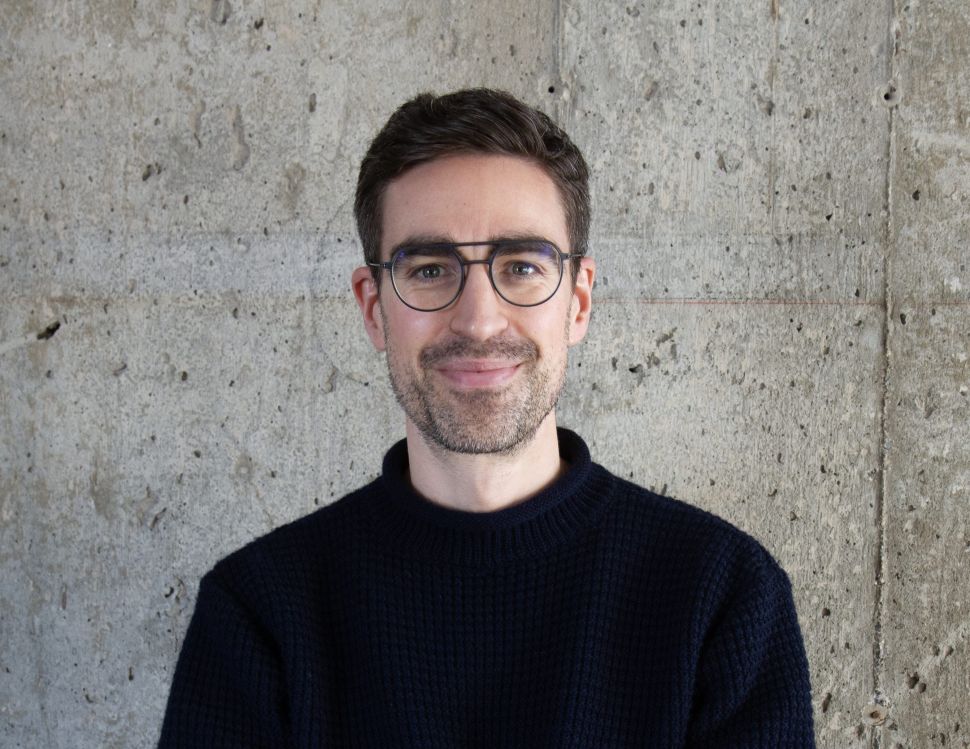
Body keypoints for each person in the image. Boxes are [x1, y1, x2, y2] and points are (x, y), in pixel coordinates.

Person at [158, 88, 815, 747]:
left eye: (523, 266)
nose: (478, 319)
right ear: (372, 305)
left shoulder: (722, 597)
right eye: (432, 268)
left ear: (578, 302)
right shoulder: (262, 612)